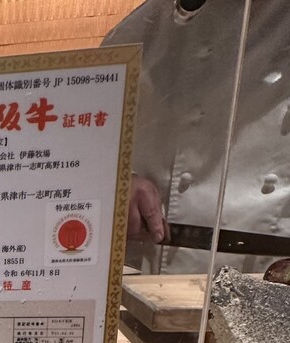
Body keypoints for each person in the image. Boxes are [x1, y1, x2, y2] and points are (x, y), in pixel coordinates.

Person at [104, 0, 290, 274]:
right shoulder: (130, 36)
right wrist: (114, 185)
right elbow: (88, 157)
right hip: (147, 278)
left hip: (266, 276)